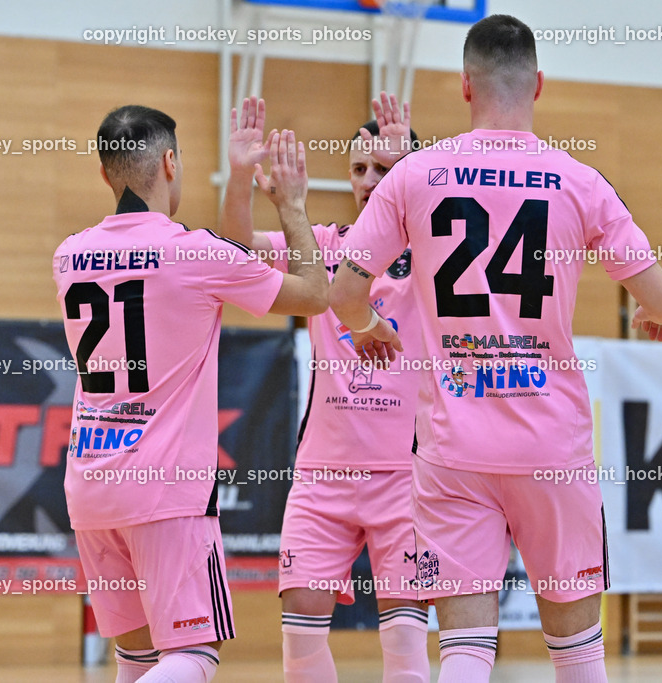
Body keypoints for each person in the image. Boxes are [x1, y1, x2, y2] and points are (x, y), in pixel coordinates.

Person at [329, 14, 662, 683]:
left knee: (464, 650)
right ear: (539, 84)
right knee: (577, 653)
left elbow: (346, 291)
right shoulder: (579, 181)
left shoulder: (414, 176)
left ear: (465, 86)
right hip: (551, 446)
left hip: (454, 449)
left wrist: (370, 325)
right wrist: (652, 309)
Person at [52, 105, 327, 683]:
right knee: (191, 657)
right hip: (164, 491)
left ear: (107, 175)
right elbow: (314, 295)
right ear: (170, 162)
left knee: (138, 658)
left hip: (91, 488)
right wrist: (293, 205)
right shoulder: (195, 253)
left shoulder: (69, 255)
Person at [218, 94, 430, 682]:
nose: (369, 180)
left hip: (405, 478)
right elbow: (236, 251)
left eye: (383, 169)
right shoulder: (326, 245)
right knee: (301, 643)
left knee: (407, 648)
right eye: (360, 169)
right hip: (323, 477)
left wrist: (411, 166)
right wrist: (239, 176)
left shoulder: (437, 257)